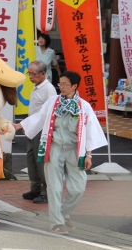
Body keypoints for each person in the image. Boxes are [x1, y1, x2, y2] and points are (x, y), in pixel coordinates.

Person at [14, 71, 108, 235]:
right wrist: (21, 125)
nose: (61, 87)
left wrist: (89, 154)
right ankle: (57, 223)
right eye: (60, 84)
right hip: (54, 148)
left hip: (74, 150)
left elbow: (90, 131)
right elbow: (39, 117)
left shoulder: (84, 106)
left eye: (65, 84)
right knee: (54, 188)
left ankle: (64, 213)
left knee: (78, 187)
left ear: (74, 86)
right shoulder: (53, 102)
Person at [22, 60, 57, 204]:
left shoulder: (48, 89)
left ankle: (46, 191)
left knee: (41, 161)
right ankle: (35, 188)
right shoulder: (37, 87)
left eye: (33, 74)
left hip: (42, 130)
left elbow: (50, 112)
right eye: (29, 73)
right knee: (31, 159)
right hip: (33, 128)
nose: (31, 76)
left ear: (43, 74)